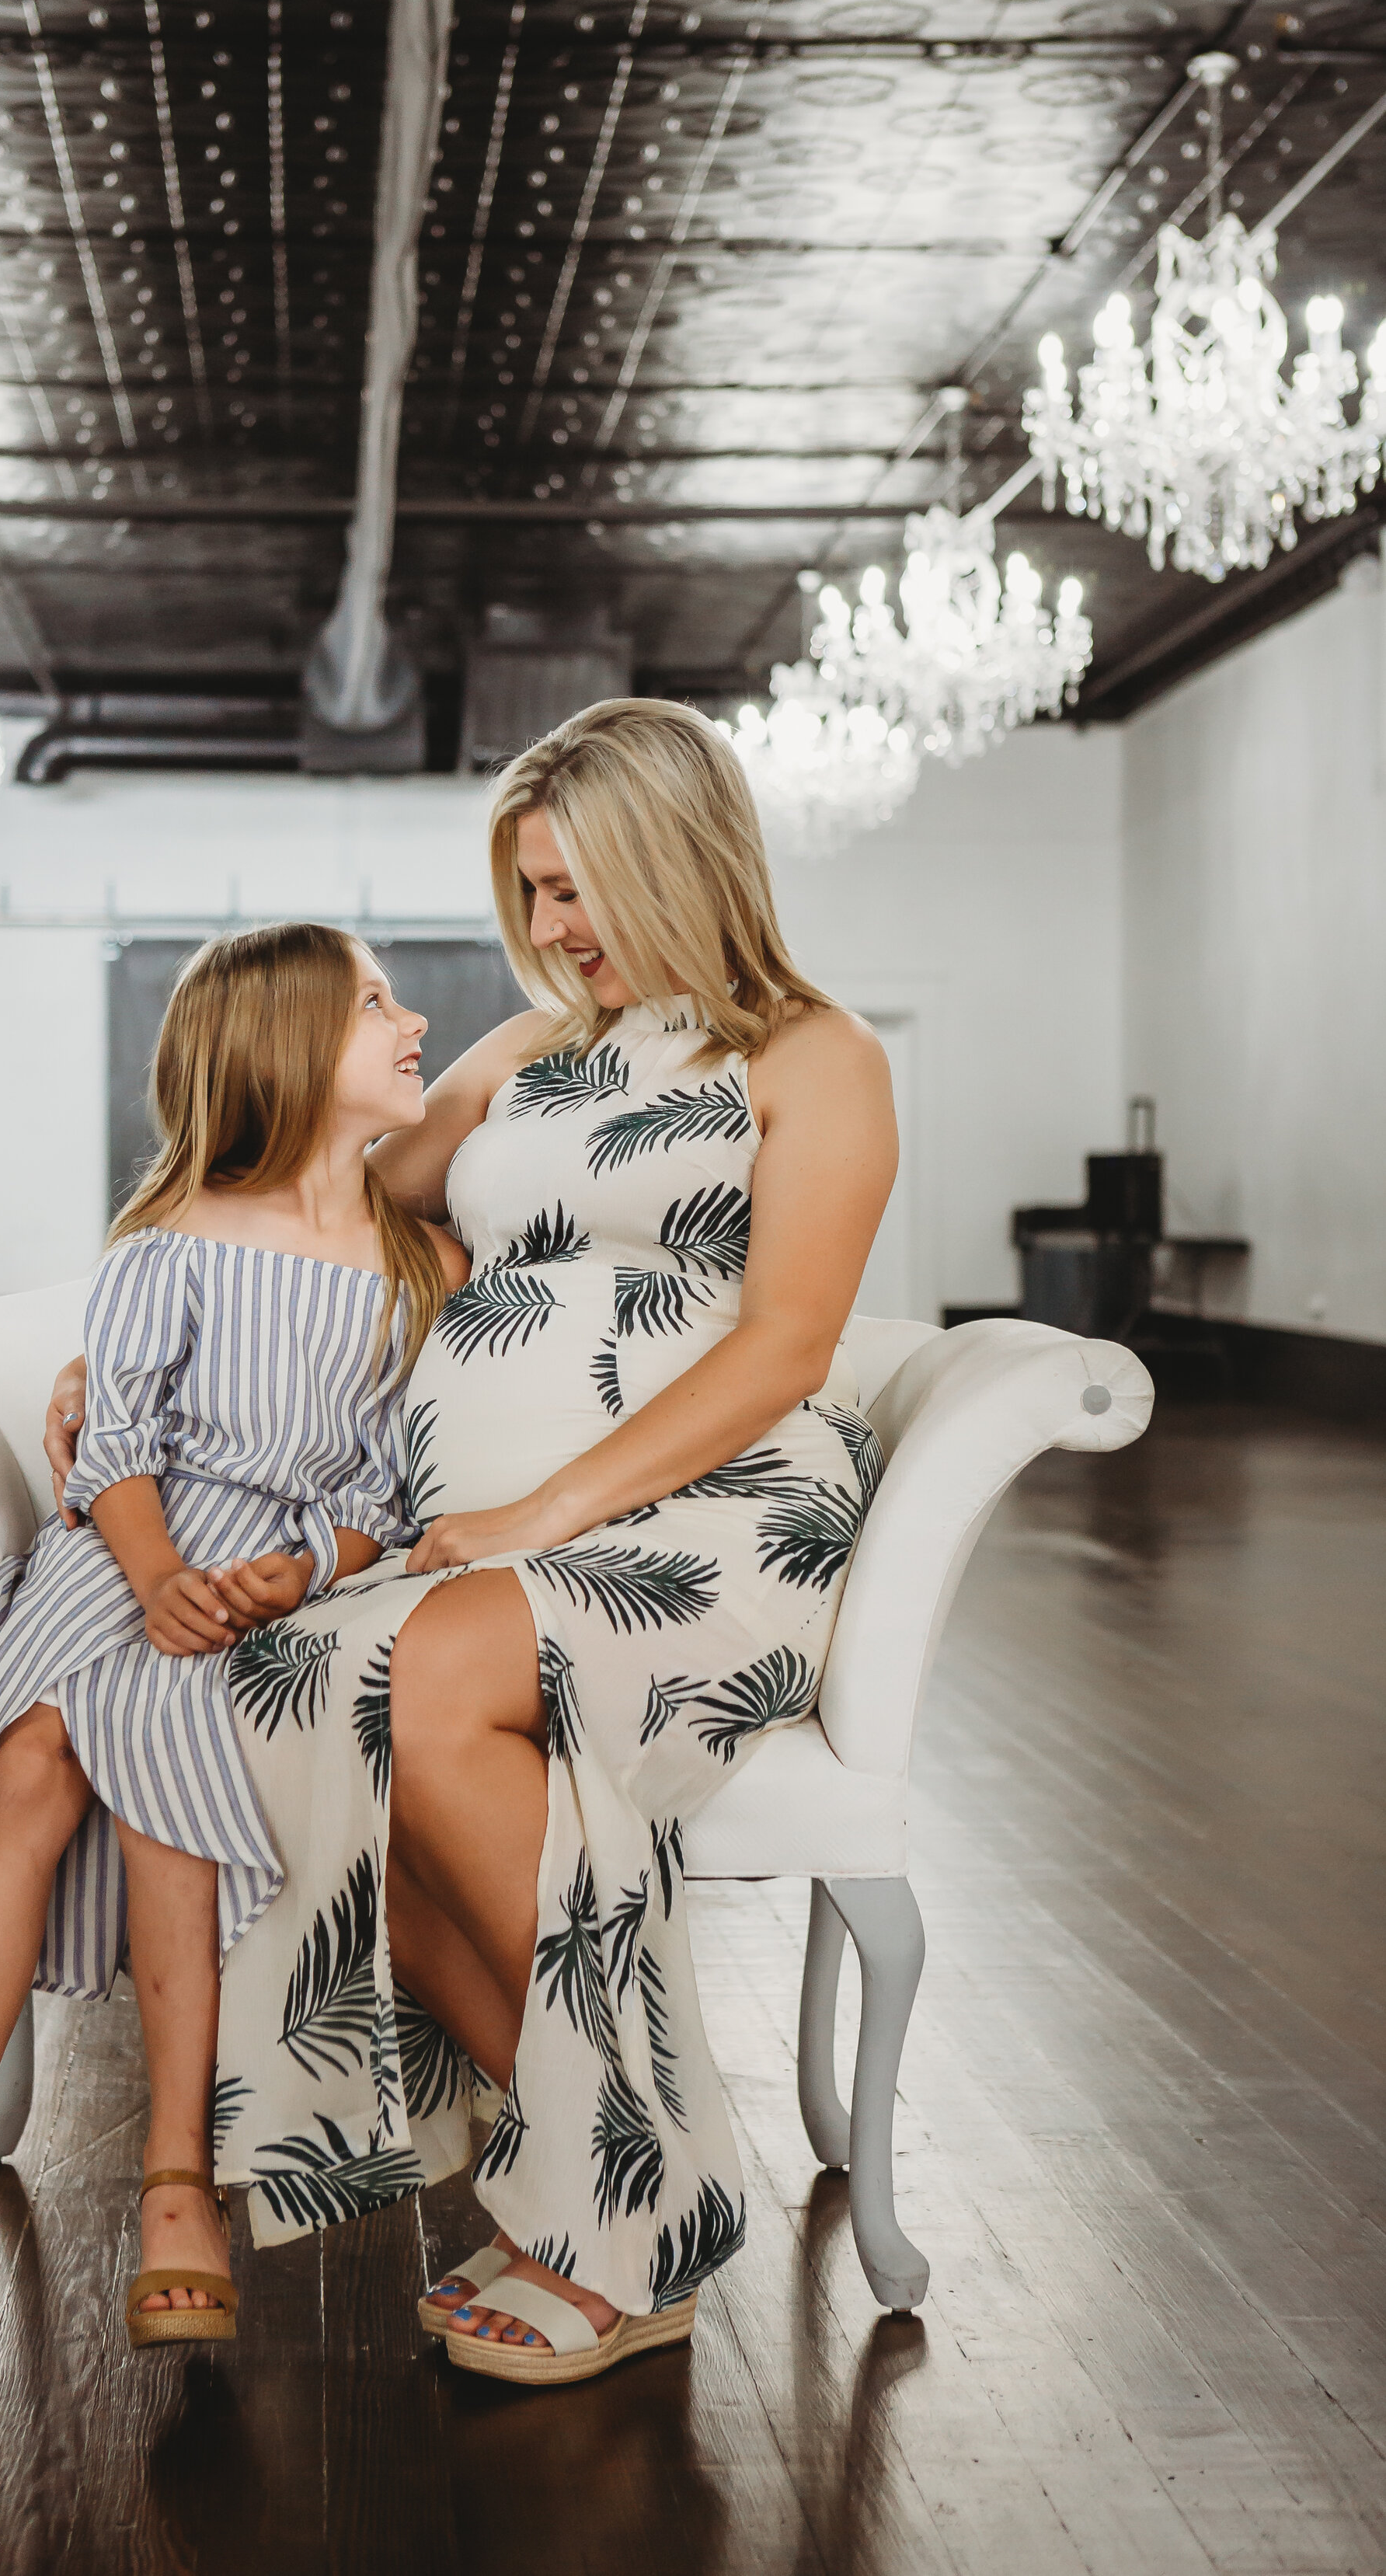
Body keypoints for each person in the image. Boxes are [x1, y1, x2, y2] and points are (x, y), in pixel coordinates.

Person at [47, 699, 896, 2387]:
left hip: (710, 1530)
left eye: (579, 889)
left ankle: (627, 2214)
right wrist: (144, 1328)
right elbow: (313, 1191)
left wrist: (539, 1516)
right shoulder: (521, 1058)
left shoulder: (816, 1058)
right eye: (531, 895)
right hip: (492, 1546)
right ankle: (621, 2195)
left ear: (681, 860)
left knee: (426, 1681)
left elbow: (785, 1343)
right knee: (274, 1696)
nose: (553, 931)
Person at [0, 925, 463, 2349]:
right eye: (374, 1002)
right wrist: (158, 1570)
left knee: (160, 1749)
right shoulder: (172, 1238)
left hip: (286, 1575)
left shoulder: (424, 1267)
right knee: (33, 1748)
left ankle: (180, 2176)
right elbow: (115, 1443)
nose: (414, 1021)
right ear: (283, 1046)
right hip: (126, 1545)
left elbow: (401, 1488)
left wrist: (309, 1566)